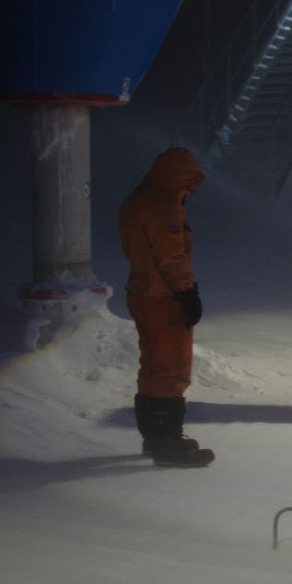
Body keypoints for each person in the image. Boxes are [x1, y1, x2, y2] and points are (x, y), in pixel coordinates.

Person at [118, 147, 215, 467]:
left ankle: (155, 437)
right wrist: (187, 292)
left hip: (142, 292)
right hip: (164, 299)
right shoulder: (164, 205)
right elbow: (172, 256)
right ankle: (167, 441)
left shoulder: (138, 199)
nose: (190, 191)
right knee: (171, 366)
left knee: (152, 365)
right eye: (189, 184)